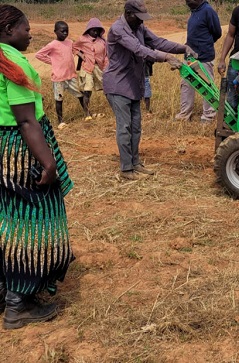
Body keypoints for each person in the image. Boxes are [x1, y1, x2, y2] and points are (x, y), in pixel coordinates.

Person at [0, 4, 74, 330]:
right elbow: (27, 121)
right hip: (22, 149)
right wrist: (49, 163)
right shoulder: (13, 64)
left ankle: (5, 290)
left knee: (8, 218)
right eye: (25, 29)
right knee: (34, 222)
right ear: (7, 30)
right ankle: (19, 303)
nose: (30, 34)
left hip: (4, 150)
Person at [103, 0, 197, 181]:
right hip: (117, 84)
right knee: (124, 127)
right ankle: (126, 168)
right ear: (128, 13)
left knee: (136, 127)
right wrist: (167, 58)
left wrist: (183, 48)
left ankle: (135, 163)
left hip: (133, 84)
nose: (141, 22)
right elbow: (140, 50)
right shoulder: (118, 29)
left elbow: (158, 42)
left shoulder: (139, 27)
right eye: (138, 18)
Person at [35, 20, 90, 129]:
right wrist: (53, 61)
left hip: (71, 76)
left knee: (80, 94)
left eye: (66, 31)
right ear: (55, 32)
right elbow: (39, 54)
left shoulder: (69, 42)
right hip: (59, 78)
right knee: (59, 99)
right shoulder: (52, 45)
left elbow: (75, 50)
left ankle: (87, 113)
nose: (65, 33)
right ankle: (61, 121)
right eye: (62, 31)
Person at [174, 0, 221, 123]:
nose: (187, 1)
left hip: (204, 56)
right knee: (186, 84)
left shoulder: (207, 10)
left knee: (207, 86)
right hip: (189, 56)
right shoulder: (194, 11)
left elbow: (217, 33)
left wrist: (204, 44)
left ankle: (208, 116)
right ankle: (184, 115)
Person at [73, 17, 108, 121]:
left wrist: (106, 66)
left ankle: (115, 107)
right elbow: (74, 47)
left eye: (97, 30)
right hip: (87, 68)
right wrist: (80, 54)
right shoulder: (82, 39)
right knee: (87, 90)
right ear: (88, 30)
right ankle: (86, 113)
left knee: (107, 87)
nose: (95, 32)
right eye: (93, 30)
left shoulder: (102, 41)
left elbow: (106, 55)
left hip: (99, 68)